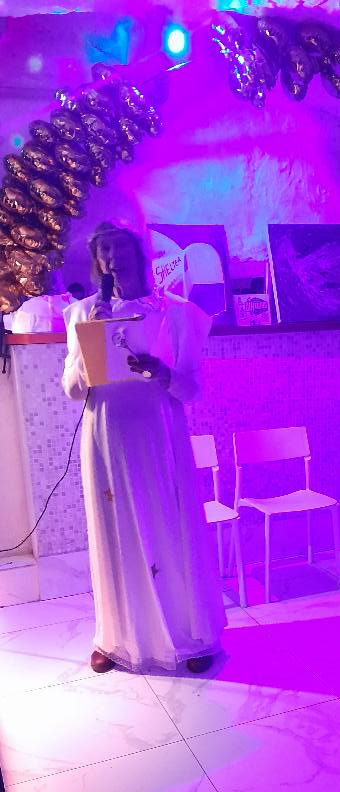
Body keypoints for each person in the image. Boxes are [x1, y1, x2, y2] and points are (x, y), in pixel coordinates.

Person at [62, 221, 226, 674]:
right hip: (106, 432)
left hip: (158, 429)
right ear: (97, 262)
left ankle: (190, 635)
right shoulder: (82, 313)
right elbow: (72, 390)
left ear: (138, 253)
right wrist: (89, 346)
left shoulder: (175, 313)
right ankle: (116, 637)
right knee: (114, 531)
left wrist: (162, 373)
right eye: (104, 250)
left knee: (168, 527)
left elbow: (192, 390)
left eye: (120, 246)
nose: (113, 256)